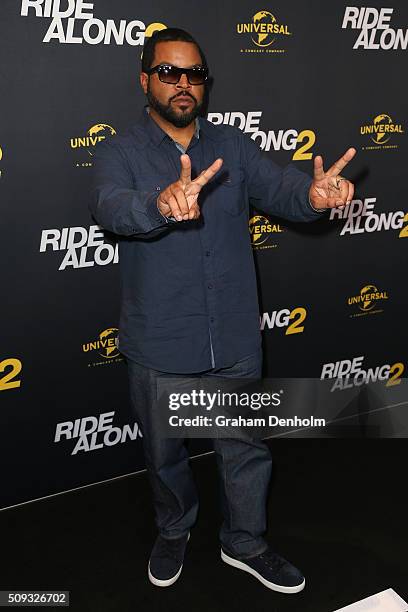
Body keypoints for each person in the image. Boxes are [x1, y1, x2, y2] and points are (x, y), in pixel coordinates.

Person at [90, 27, 355, 594]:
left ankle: (245, 541)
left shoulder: (232, 145)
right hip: (160, 342)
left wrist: (312, 198)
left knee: (244, 449)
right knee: (165, 459)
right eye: (169, 72)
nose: (183, 84)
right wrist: (159, 203)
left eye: (194, 75)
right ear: (145, 79)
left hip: (232, 337)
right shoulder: (120, 151)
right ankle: (174, 529)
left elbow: (282, 188)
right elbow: (111, 206)